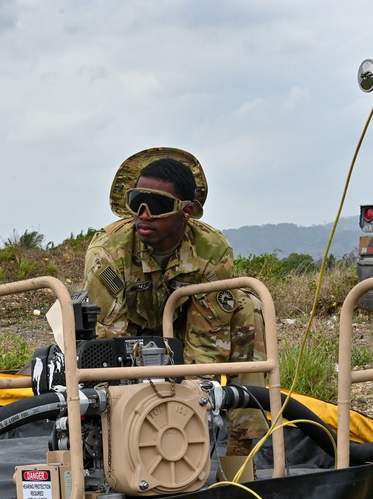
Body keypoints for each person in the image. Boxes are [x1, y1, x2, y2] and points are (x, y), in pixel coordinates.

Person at [82, 147, 267, 458]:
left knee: (249, 307)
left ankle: (241, 446)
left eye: (156, 205)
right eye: (136, 202)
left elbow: (208, 344)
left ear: (186, 211)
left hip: (184, 337)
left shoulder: (211, 250)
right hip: (124, 339)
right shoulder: (108, 253)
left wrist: (186, 414)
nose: (143, 214)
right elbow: (109, 343)